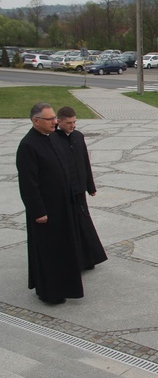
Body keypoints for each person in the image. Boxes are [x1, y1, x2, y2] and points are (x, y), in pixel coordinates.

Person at [16, 102, 83, 304]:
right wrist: (38, 211)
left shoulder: (52, 138)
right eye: (50, 119)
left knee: (64, 249)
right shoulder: (28, 145)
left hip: (63, 206)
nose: (55, 121)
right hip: (45, 211)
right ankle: (50, 292)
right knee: (49, 253)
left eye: (55, 118)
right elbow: (28, 183)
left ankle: (65, 286)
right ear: (36, 121)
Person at [55, 106, 107, 271]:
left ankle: (89, 257)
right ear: (59, 121)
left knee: (84, 223)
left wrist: (90, 185)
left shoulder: (78, 136)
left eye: (74, 122)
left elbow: (85, 162)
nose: (73, 125)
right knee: (71, 225)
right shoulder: (54, 139)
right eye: (69, 123)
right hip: (65, 192)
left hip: (79, 189)